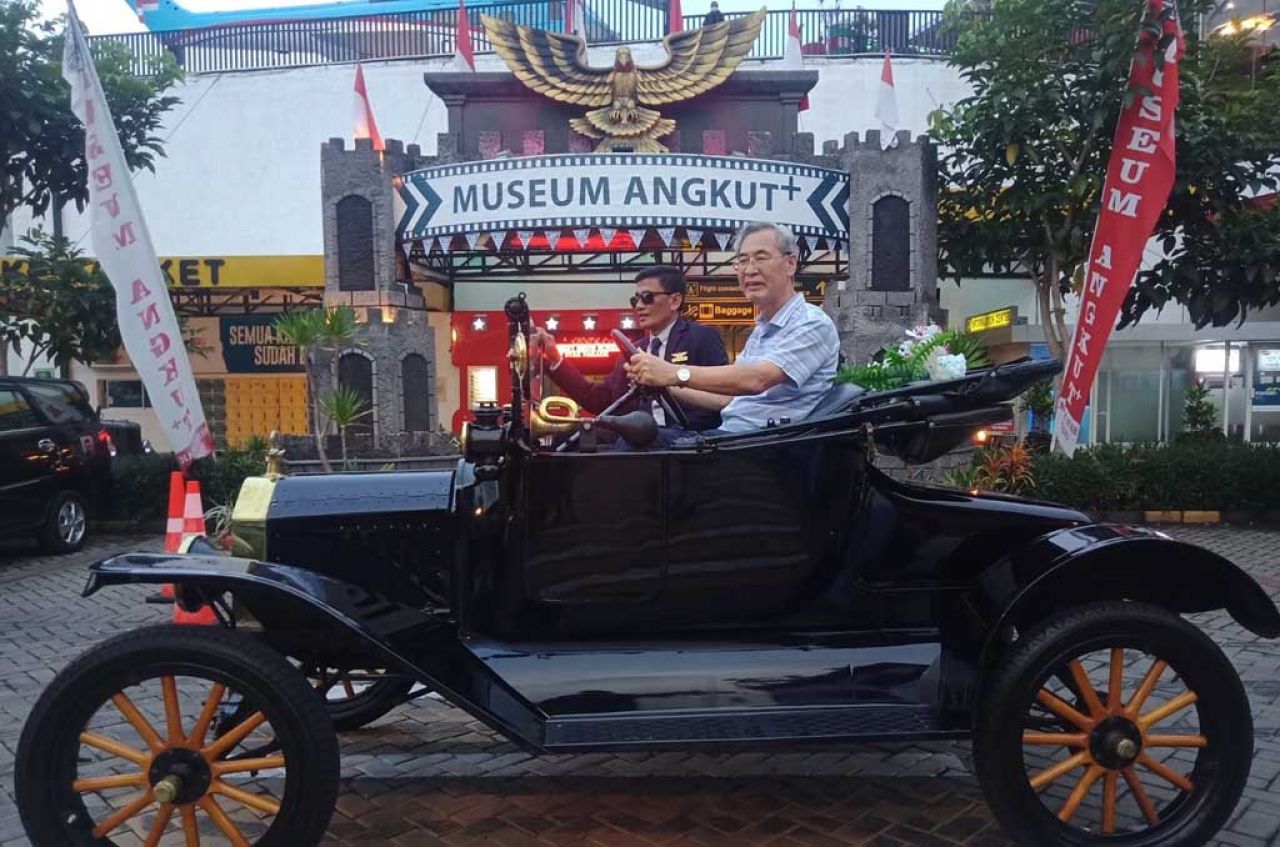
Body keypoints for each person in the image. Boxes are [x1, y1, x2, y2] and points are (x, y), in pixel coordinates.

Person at [625, 222, 839, 438]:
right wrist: (663, 385)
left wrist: (673, 372)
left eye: (761, 258)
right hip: (732, 438)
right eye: (743, 260)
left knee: (638, 445)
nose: (750, 270)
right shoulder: (762, 330)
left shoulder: (812, 322)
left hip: (764, 446)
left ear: (790, 264)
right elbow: (728, 399)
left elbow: (758, 380)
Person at [533, 265, 728, 431]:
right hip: (640, 443)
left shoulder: (701, 337)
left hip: (687, 442)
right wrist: (554, 359)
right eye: (636, 300)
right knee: (571, 441)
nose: (639, 306)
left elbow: (722, 397)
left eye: (648, 297)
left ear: (675, 301)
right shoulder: (633, 351)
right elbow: (599, 399)